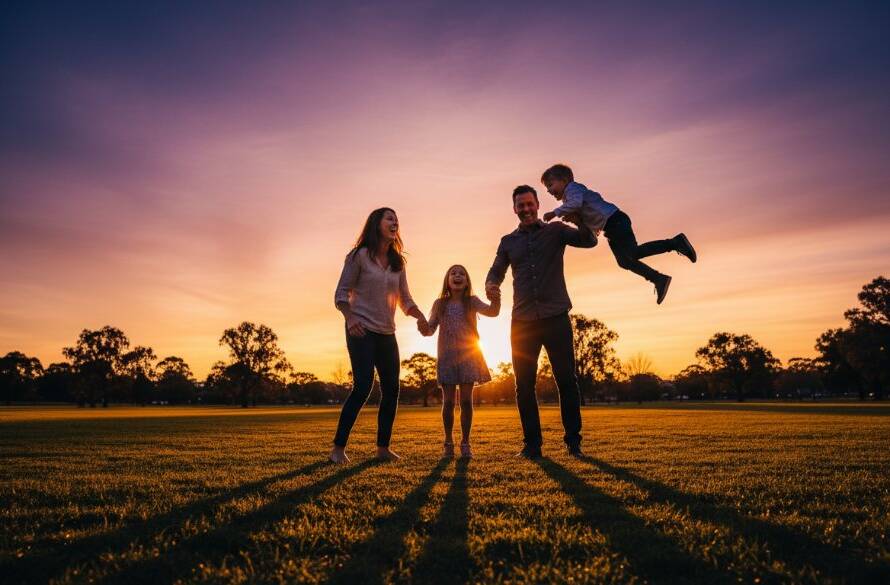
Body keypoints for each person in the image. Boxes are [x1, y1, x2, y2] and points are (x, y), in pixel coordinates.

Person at [485, 185, 596, 458]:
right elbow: (496, 270)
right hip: (522, 322)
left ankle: (573, 442)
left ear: (537, 204)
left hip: (556, 316)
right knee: (523, 386)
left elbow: (589, 240)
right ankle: (532, 445)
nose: (525, 209)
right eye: (520, 205)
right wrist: (491, 283)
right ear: (514, 209)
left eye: (529, 204)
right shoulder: (508, 241)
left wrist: (578, 217)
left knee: (566, 381)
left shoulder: (555, 231)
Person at [331, 207, 429, 464]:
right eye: (389, 218)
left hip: (387, 333)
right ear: (376, 225)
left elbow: (405, 300)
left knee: (391, 389)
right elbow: (341, 294)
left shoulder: (398, 263)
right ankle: (338, 449)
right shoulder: (358, 256)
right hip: (360, 329)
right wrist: (350, 318)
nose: (395, 221)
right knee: (363, 387)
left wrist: (419, 316)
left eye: (397, 218)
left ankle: (383, 449)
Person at [540, 163, 697, 304]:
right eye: (547, 187)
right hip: (611, 228)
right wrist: (577, 221)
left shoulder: (573, 189)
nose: (548, 190)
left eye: (550, 184)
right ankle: (659, 279)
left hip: (616, 221)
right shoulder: (570, 200)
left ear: (565, 180)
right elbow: (589, 219)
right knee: (624, 261)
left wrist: (555, 213)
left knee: (633, 252)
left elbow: (576, 203)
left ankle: (675, 243)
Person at [423, 264, 500, 458]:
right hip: (447, 357)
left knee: (466, 402)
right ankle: (448, 443)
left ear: (467, 282)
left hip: (469, 356)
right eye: (453, 273)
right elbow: (430, 329)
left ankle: (465, 443)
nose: (457, 276)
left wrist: (496, 299)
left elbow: (492, 312)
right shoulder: (439, 304)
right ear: (447, 281)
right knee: (448, 403)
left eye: (462, 274)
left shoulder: (472, 301)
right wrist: (422, 326)